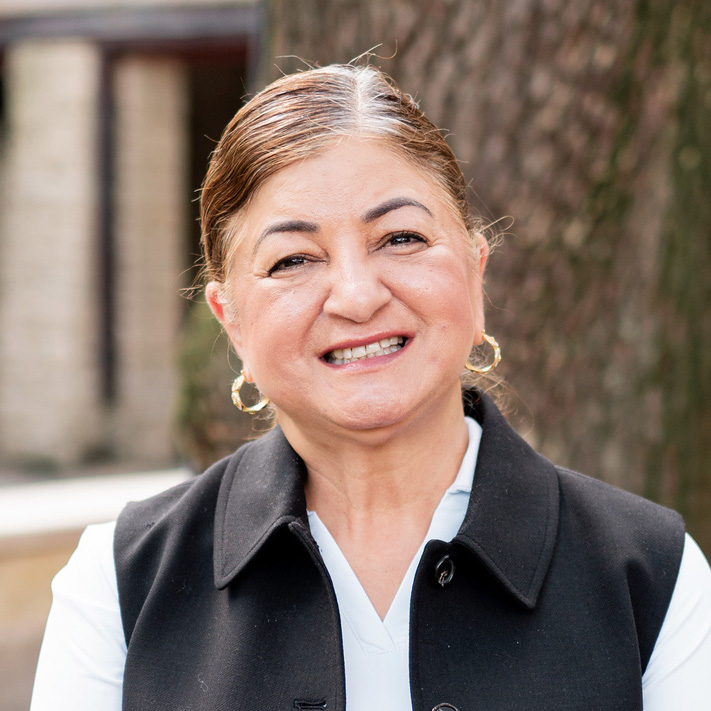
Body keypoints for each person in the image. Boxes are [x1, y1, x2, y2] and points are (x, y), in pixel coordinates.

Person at [31, 63, 711, 711]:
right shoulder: (120, 582)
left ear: (475, 278)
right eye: (293, 259)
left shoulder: (649, 574)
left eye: (401, 238)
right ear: (230, 321)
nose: (356, 296)